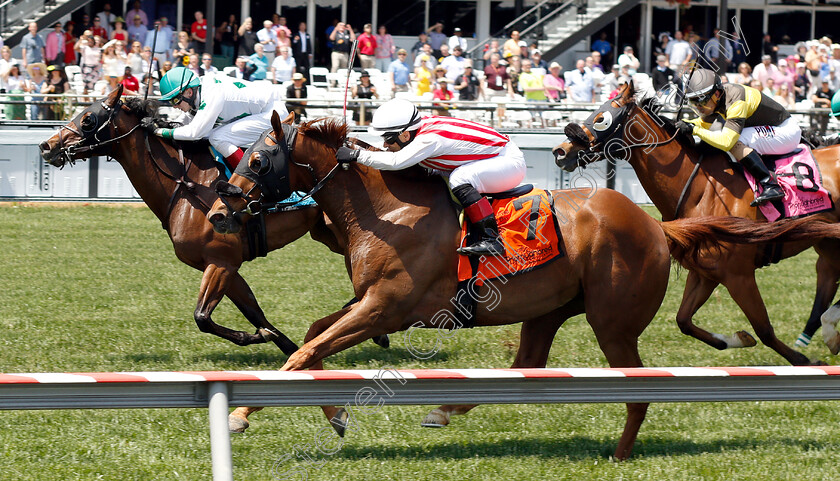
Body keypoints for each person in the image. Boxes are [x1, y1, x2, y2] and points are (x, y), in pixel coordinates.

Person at [335, 98, 526, 256]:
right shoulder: (416, 128)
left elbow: (395, 161)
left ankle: (491, 239)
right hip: (494, 156)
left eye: (389, 138)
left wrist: (356, 156)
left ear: (405, 136)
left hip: (508, 162)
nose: (385, 144)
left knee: (459, 179)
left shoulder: (429, 138)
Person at [676, 68, 794, 206]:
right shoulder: (716, 98)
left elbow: (726, 142)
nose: (698, 107)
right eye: (693, 102)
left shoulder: (735, 100)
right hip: (771, 129)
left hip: (785, 131)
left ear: (717, 93)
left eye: (700, 101)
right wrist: (684, 125)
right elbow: (703, 124)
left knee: (735, 140)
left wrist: (694, 129)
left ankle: (770, 185)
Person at [146, 66, 290, 167]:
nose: (174, 106)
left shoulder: (212, 94)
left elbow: (194, 132)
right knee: (212, 135)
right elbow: (185, 123)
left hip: (272, 114)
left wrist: (158, 131)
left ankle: (251, 177)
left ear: (189, 92)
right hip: (262, 111)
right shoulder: (198, 93)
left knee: (217, 137)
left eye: (175, 100)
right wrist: (163, 124)